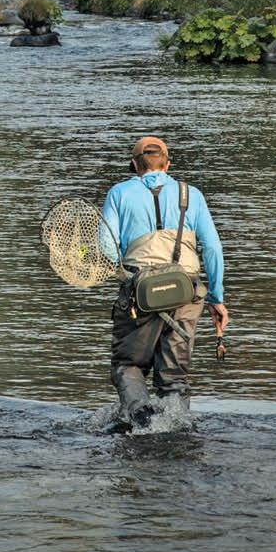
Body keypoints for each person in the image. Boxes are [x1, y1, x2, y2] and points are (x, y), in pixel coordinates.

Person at [100, 134, 228, 428]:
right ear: (167, 165)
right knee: (174, 376)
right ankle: (175, 427)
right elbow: (212, 249)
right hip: (187, 293)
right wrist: (216, 299)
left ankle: (142, 418)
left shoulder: (119, 194)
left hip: (139, 294)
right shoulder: (191, 195)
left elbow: (106, 250)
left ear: (134, 165)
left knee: (127, 365)